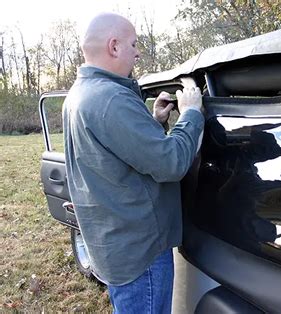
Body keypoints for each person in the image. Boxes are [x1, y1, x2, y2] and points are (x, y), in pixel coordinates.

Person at [62, 12, 204, 313]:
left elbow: (115, 156)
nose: (138, 52)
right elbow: (172, 163)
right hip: (141, 253)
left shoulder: (80, 94)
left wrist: (154, 122)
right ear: (114, 46)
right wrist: (191, 114)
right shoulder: (112, 98)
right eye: (134, 44)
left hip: (116, 246)